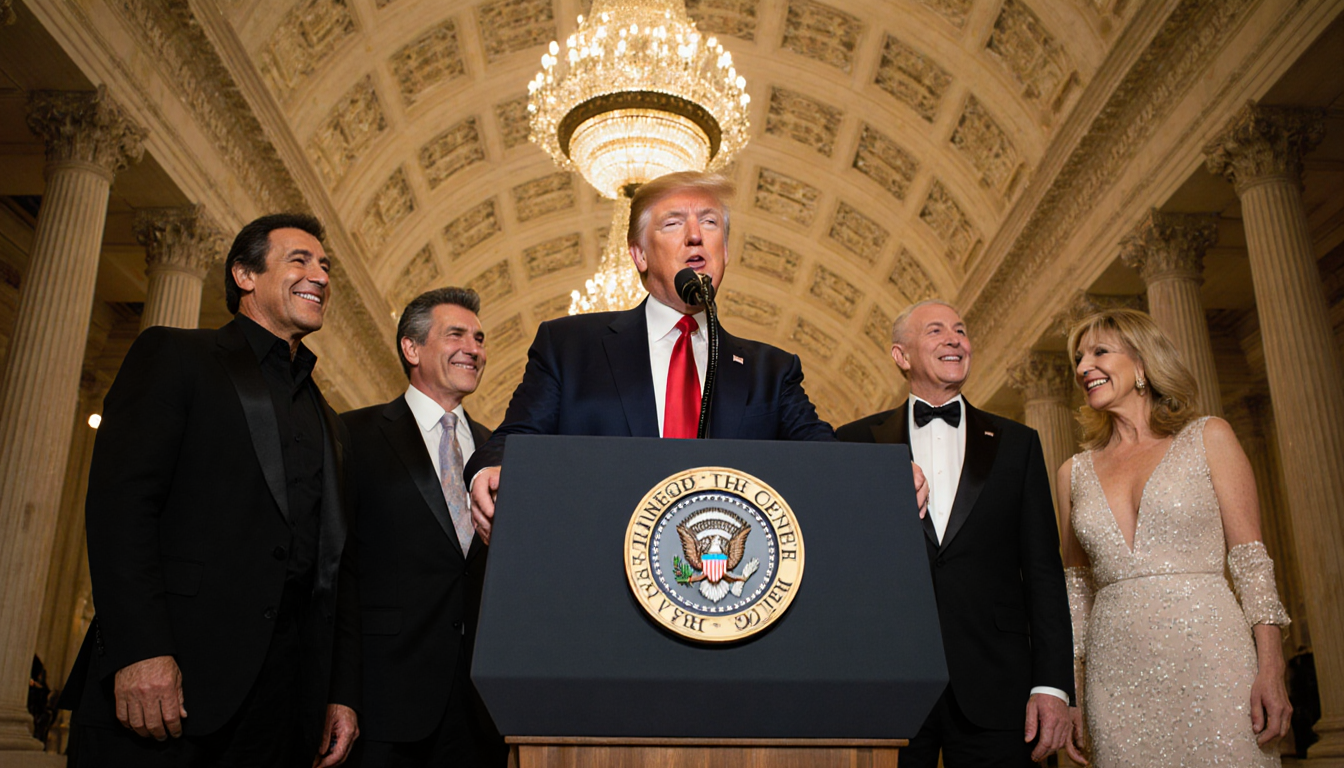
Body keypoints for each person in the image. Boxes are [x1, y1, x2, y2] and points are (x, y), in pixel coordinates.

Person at [465, 171, 931, 540]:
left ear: (724, 251)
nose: (695, 235)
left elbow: (823, 457)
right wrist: (489, 469)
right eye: (673, 223)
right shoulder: (570, 345)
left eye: (709, 223)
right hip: (596, 579)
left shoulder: (772, 371)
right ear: (639, 255)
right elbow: (514, 439)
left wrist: (882, 477)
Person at [62, 213, 360, 767]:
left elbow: (331, 571)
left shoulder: (330, 422)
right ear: (245, 275)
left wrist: (336, 693)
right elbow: (121, 508)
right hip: (170, 690)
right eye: (300, 260)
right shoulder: (175, 356)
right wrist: (141, 650)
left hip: (282, 708)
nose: (319, 274)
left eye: (325, 266)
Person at [836, 299, 1076, 767]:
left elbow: (1044, 573)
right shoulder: (854, 442)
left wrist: (1052, 684)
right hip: (888, 685)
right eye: (935, 331)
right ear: (901, 356)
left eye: (960, 331)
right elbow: (844, 571)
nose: (953, 339)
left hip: (1001, 687)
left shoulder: (1018, 443)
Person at [1059, 308, 1292, 766]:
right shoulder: (1073, 473)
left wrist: (1272, 665)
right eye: (1078, 359)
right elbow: (1074, 592)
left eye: (1099, 352)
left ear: (1143, 364)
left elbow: (1250, 561)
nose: (1084, 367)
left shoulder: (1209, 437)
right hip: (1115, 677)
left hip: (1214, 660)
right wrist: (1073, 688)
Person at [341, 287, 506, 767]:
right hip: (383, 701)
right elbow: (338, 569)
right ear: (411, 349)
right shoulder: (351, 435)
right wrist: (339, 692)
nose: (474, 348)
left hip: (480, 709)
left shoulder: (499, 451)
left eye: (479, 338)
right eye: (456, 334)